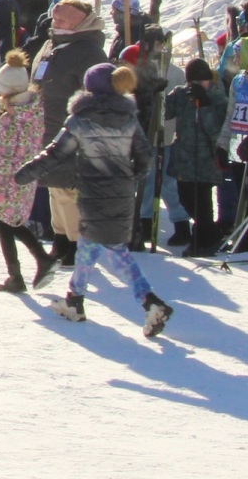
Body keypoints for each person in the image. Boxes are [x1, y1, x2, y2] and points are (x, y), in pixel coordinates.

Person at [15, 63, 173, 337]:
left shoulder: (80, 120)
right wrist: (132, 176)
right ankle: (74, 300)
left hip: (93, 193)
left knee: (113, 250)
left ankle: (150, 301)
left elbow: (55, 154)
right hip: (121, 193)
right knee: (89, 244)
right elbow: (145, 154)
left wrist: (25, 174)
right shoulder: (128, 118)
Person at [28, 0, 106, 264]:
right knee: (54, 189)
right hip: (47, 127)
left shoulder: (89, 52)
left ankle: (76, 245)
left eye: (62, 18)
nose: (55, 22)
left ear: (79, 22)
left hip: (72, 132)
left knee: (68, 190)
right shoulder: (53, 44)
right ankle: (60, 240)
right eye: (54, 17)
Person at [0, 50, 58, 292]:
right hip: (27, 175)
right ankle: (34, 263)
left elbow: (2, 155)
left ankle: (21, 272)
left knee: (6, 222)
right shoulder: (35, 109)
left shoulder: (9, 118)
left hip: (7, 180)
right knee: (10, 222)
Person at [164, 57, 226, 253]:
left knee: (202, 202)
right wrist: (155, 94)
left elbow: (216, 129)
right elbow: (164, 113)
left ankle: (203, 240)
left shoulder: (217, 96)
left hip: (206, 158)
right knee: (185, 199)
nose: (199, 85)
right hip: (184, 158)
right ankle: (211, 235)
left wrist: (205, 105)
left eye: (203, 81)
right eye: (194, 82)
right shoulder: (182, 94)